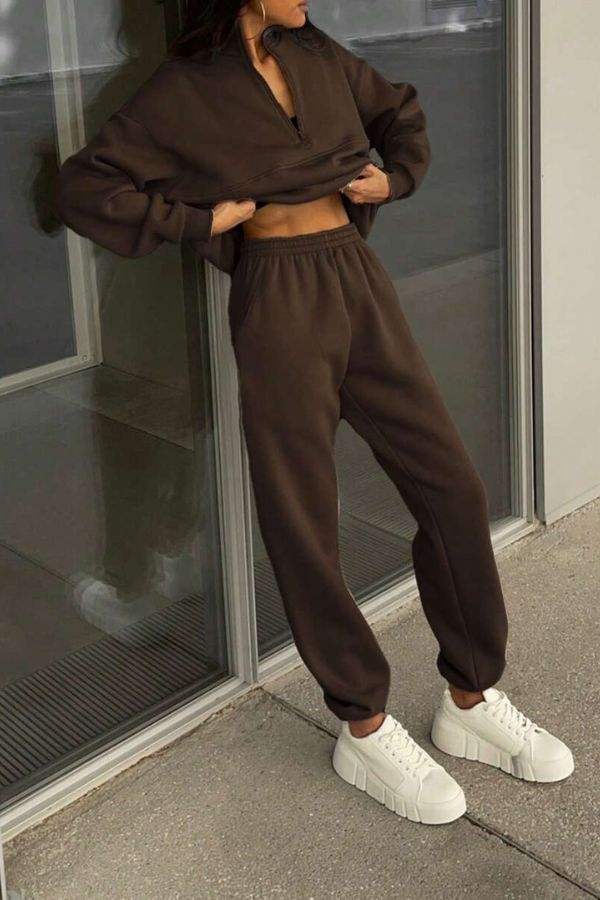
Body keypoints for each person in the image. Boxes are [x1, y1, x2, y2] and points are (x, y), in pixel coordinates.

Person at [53, 0, 574, 825]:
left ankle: (470, 699)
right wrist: (195, 220)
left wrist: (394, 177)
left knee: (452, 488)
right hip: (277, 295)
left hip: (356, 277)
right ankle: (363, 723)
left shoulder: (319, 54)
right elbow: (84, 186)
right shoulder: (185, 89)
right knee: (303, 516)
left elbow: (399, 111)